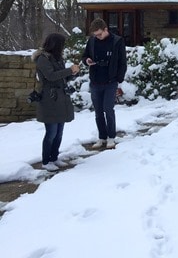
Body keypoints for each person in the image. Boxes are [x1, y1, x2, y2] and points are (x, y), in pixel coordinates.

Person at [32, 33, 80, 171]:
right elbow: (51, 76)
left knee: (59, 132)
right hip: (49, 99)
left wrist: (72, 73)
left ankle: (54, 157)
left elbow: (62, 78)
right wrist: (68, 70)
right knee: (51, 132)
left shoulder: (58, 58)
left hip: (61, 98)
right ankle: (46, 161)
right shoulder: (43, 58)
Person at [82, 18, 127, 150]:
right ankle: (102, 137)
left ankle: (111, 137)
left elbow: (122, 62)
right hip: (95, 81)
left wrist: (119, 78)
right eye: (95, 35)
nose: (98, 37)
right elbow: (84, 56)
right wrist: (87, 61)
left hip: (110, 81)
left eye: (100, 34)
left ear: (106, 29)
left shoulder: (117, 41)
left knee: (108, 109)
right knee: (98, 112)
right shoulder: (91, 41)